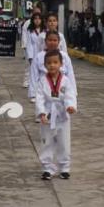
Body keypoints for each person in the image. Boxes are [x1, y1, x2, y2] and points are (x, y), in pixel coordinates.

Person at [36, 50, 77, 180]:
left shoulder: (65, 80)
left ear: (61, 64)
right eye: (49, 63)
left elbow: (70, 95)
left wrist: (70, 106)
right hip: (47, 114)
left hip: (62, 114)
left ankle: (64, 167)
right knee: (47, 141)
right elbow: (39, 98)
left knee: (63, 142)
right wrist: (41, 112)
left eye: (55, 62)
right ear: (44, 65)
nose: (52, 65)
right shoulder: (42, 80)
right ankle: (47, 168)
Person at [31, 31, 77, 100]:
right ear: (45, 41)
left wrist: (73, 92)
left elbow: (70, 74)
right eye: (50, 40)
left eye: (55, 40)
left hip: (61, 87)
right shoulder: (39, 56)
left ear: (59, 42)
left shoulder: (64, 56)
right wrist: (33, 94)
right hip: (44, 87)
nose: (52, 42)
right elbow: (34, 75)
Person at [26, 13, 45, 102]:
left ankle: (43, 93)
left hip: (44, 54)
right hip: (34, 54)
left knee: (43, 75)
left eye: (39, 19)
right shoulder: (30, 31)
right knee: (33, 75)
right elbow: (29, 44)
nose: (37, 20)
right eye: (35, 19)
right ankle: (33, 94)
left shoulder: (45, 31)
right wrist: (30, 57)